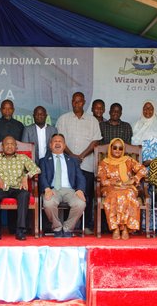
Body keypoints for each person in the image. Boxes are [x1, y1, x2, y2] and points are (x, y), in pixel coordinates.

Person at [56, 92, 102, 235]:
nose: (77, 104)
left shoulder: (93, 121)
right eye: (74, 101)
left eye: (79, 101)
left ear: (84, 102)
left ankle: (86, 225)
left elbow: (96, 140)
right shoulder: (63, 119)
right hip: (67, 164)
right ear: (71, 102)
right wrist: (72, 156)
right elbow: (59, 140)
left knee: (86, 194)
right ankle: (68, 225)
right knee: (68, 194)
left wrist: (81, 155)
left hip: (87, 163)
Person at [0, 136, 40, 241]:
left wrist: (26, 176)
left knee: (25, 194)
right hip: (1, 188)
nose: (9, 146)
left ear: (16, 147)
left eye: (12, 144)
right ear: (2, 146)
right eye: (7, 144)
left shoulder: (23, 158)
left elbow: (36, 169)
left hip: (18, 188)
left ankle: (20, 230)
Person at [98, 138, 147, 240]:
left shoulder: (128, 160)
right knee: (115, 194)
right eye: (115, 147)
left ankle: (125, 228)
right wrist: (115, 183)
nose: (117, 150)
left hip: (127, 187)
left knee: (128, 193)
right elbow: (102, 181)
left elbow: (143, 169)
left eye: (120, 148)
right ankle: (115, 228)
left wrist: (134, 179)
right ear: (110, 148)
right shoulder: (104, 163)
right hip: (110, 188)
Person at [39, 134, 86, 237]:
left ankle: (67, 228)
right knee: (48, 203)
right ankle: (57, 227)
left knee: (80, 203)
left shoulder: (73, 160)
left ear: (64, 145)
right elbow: (42, 176)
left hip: (70, 190)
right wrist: (46, 188)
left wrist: (80, 190)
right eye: (55, 141)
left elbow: (80, 177)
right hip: (52, 189)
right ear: (50, 145)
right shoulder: (44, 161)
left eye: (60, 141)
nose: (57, 143)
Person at [131, 100, 157, 166]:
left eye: (150, 108)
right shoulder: (135, 125)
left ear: (154, 110)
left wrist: (153, 161)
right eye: (145, 108)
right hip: (139, 163)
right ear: (142, 110)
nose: (147, 110)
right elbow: (131, 146)